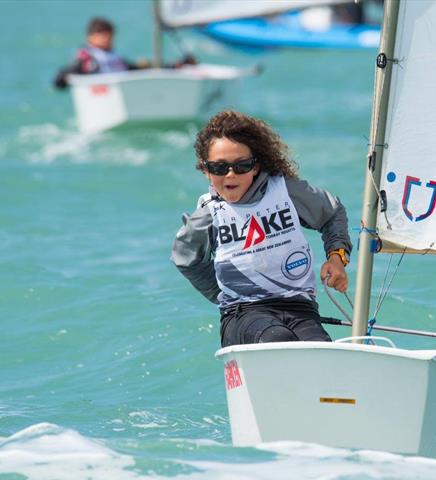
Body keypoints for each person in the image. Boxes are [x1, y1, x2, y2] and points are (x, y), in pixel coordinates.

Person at [171, 110, 351, 347]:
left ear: (256, 166)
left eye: (242, 165)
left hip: (300, 308)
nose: (231, 174)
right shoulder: (207, 215)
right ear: (206, 170)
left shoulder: (286, 192)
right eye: (219, 168)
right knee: (278, 339)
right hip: (243, 315)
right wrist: (224, 296)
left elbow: (332, 213)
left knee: (321, 348)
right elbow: (185, 259)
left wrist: (337, 258)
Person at [53, 17, 195, 90]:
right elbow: (63, 77)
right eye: (102, 35)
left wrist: (175, 65)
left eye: (109, 35)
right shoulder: (86, 58)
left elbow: (137, 69)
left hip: (122, 95)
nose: (107, 39)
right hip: (101, 97)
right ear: (91, 37)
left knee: (146, 66)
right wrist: (63, 78)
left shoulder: (115, 57)